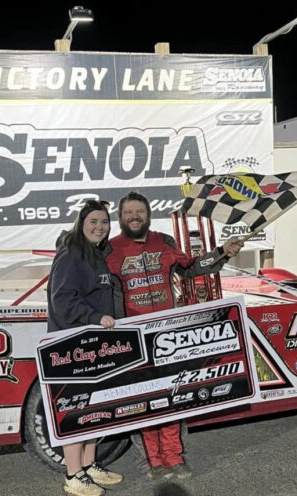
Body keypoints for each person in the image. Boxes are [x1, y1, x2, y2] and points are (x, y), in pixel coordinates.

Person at [104, 191, 244, 481]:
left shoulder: (164, 241)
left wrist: (223, 252)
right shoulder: (108, 249)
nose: (134, 217)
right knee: (142, 400)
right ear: (119, 218)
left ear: (148, 214)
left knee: (171, 395)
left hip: (168, 335)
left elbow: (191, 266)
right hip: (132, 338)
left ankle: (174, 458)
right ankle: (153, 463)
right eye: (128, 212)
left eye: (139, 211)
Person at [47, 200, 124, 496]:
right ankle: (73, 475)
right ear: (81, 223)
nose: (99, 227)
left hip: (95, 343)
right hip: (73, 344)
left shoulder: (95, 253)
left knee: (94, 408)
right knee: (77, 411)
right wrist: (94, 318)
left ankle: (90, 465)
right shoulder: (71, 252)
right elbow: (62, 299)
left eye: (104, 222)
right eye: (93, 221)